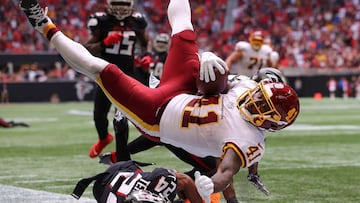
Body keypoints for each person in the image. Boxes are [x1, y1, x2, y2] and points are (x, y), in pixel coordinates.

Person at [20, 0, 300, 201]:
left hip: (158, 115)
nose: (255, 102)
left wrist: (207, 186)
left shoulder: (248, 139)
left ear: (269, 124)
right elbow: (220, 81)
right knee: (184, 27)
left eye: (262, 108)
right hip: (186, 89)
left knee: (101, 70)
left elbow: (226, 171)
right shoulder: (249, 88)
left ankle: (43, 25)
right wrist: (207, 56)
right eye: (260, 97)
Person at [84, 0, 149, 160]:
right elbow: (86, 49)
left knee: (121, 117)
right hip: (107, 73)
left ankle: (122, 156)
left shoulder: (137, 21)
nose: (121, 7)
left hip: (128, 74)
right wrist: (104, 44)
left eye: (124, 3)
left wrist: (144, 57)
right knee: (99, 115)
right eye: (117, 3)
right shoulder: (102, 21)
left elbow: (144, 43)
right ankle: (104, 138)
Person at [71, 160, 203, 203]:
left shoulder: (155, 183)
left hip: (111, 186)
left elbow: (184, 181)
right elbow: (185, 181)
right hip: (108, 186)